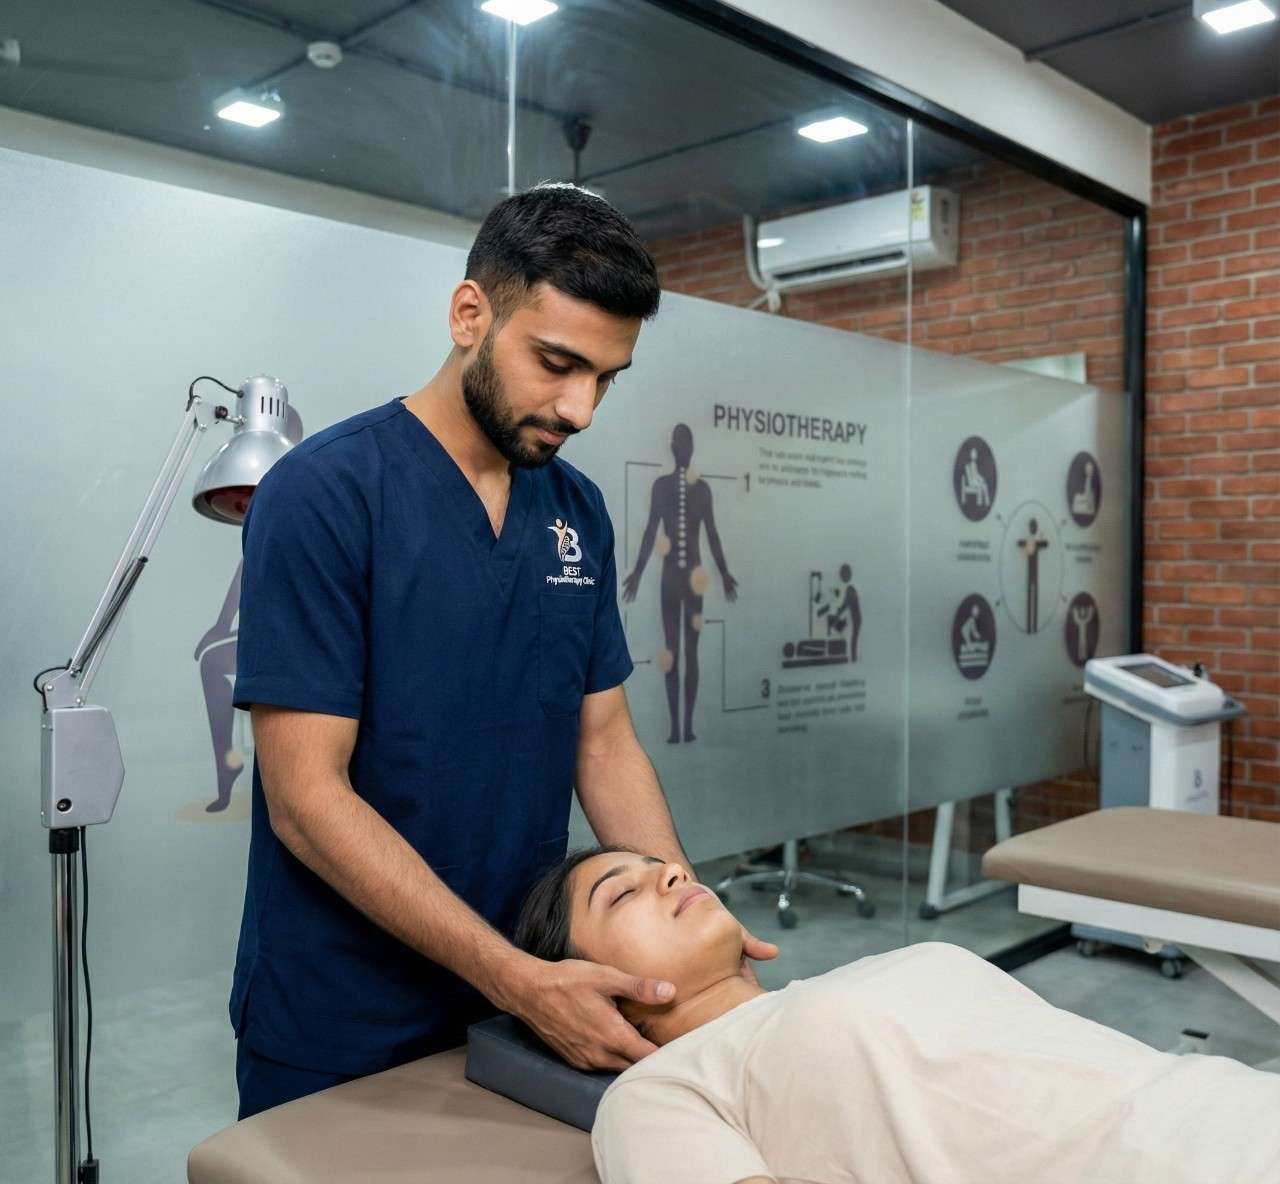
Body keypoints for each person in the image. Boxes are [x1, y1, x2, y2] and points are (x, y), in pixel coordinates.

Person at [229, 184, 778, 1119]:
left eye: (606, 378)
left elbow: (601, 742)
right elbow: (306, 802)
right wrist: (515, 976)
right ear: (470, 313)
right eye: (557, 362)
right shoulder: (325, 494)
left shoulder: (577, 513)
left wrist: (684, 915)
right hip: (344, 1009)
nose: (582, 408)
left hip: (533, 1002)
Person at [514, 846, 1280, 1184]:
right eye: (621, 892)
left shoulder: (847, 980)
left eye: (662, 866)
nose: (672, 870)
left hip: (1229, 1109)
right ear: (592, 989)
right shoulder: (663, 1091)